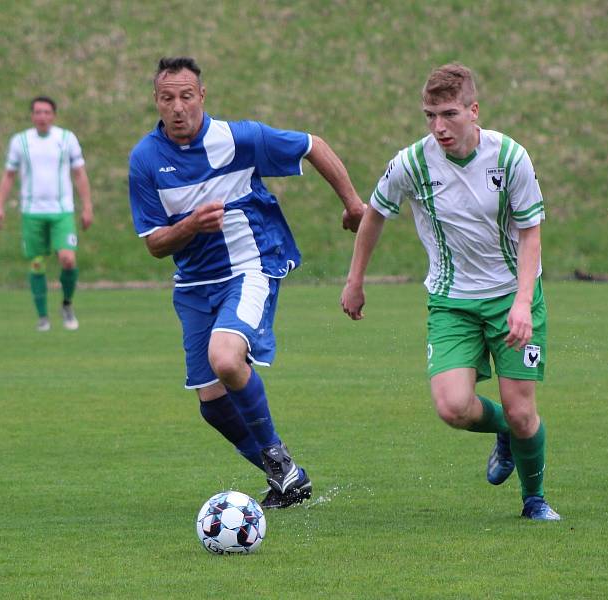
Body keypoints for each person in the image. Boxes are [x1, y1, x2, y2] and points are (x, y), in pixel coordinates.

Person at [128, 57, 365, 509]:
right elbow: (156, 244)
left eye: (186, 96)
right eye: (167, 98)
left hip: (251, 266)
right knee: (212, 404)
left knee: (225, 357)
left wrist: (353, 203)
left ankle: (276, 458)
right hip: (194, 285)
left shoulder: (238, 139)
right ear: (156, 102)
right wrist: (192, 225)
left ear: (202, 97)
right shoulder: (145, 161)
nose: (178, 107)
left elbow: (312, 144)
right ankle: (289, 479)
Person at [341, 64, 561, 520]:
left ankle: (534, 499)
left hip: (510, 297)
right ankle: (503, 433)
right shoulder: (413, 163)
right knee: (452, 407)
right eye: (429, 116)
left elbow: (531, 233)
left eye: (449, 114)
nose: (439, 127)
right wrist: (355, 279)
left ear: (473, 111)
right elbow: (375, 214)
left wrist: (523, 302)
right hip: (451, 301)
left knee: (524, 413)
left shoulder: (510, 158)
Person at [0, 96, 93, 331]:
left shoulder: (66, 139)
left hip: (61, 211)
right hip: (32, 212)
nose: (42, 117)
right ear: (32, 115)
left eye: (47, 112)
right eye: (38, 112)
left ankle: (67, 304)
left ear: (54, 115)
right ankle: (42, 317)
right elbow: (9, 175)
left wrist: (87, 206)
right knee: (37, 263)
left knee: (68, 259)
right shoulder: (20, 141)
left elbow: (79, 173)